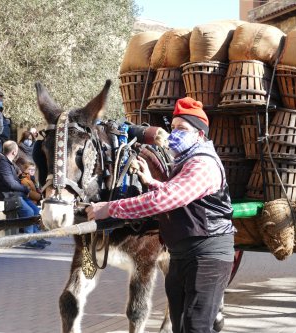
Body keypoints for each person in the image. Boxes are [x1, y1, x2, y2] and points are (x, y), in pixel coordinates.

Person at [86, 97, 235, 333]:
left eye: (182, 129)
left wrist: (109, 208)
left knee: (196, 327)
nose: (175, 133)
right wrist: (151, 181)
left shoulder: (202, 164)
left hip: (207, 256)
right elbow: (176, 194)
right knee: (179, 325)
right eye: (173, 127)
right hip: (182, 254)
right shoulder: (184, 162)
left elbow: (165, 200)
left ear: (200, 135)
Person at [0, 141, 45, 250]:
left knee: (35, 210)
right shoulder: (2, 164)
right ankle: (29, 240)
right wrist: (26, 189)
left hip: (16, 194)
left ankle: (36, 237)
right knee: (29, 212)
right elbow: (10, 183)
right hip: (7, 195)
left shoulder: (8, 162)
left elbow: (18, 177)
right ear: (14, 152)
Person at [18, 161, 51, 247]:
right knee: (33, 212)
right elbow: (30, 193)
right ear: (25, 170)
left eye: (34, 170)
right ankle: (31, 239)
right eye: (30, 169)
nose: (32, 171)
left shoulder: (31, 179)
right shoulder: (24, 179)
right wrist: (40, 197)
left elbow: (34, 190)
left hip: (33, 201)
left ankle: (37, 237)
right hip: (29, 200)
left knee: (37, 212)